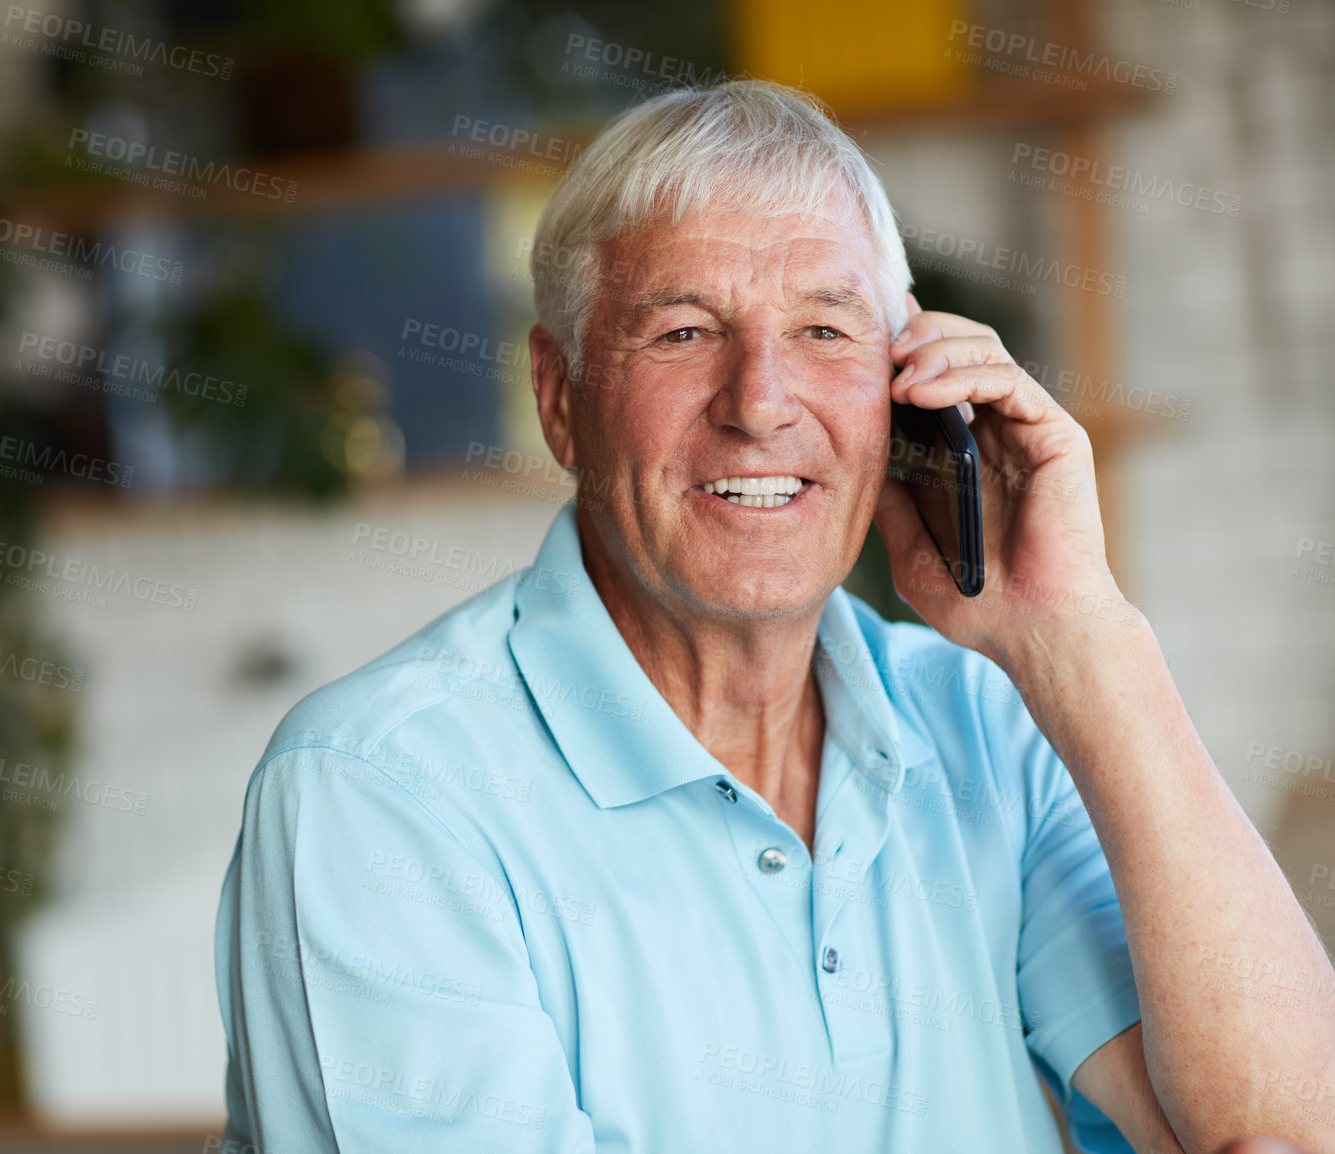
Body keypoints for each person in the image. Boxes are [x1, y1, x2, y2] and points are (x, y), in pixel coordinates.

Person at [214, 80, 1335, 1153]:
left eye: (826, 331)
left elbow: (1281, 1128)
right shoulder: (379, 792)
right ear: (561, 401)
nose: (758, 402)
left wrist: (1082, 635)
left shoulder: (982, 728)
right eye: (683, 332)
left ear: (905, 396)